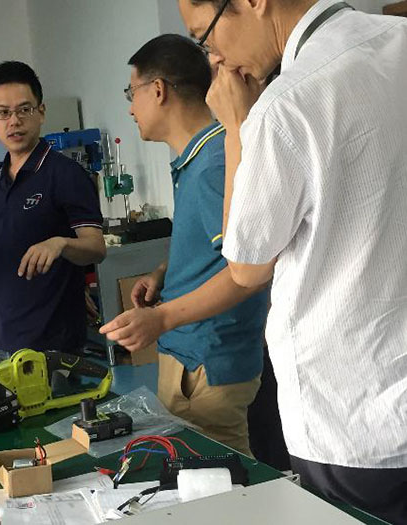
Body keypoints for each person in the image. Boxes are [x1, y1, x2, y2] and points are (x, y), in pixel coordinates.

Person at [178, 0, 407, 521]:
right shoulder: (398, 39)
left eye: (205, 35)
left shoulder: (288, 104)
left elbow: (247, 266)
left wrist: (237, 126)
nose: (214, 58)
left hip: (353, 423)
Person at [100, 34, 268, 457]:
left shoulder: (214, 164)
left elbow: (247, 273)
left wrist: (160, 318)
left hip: (206, 362)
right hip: (193, 355)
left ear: (158, 90)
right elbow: (218, 249)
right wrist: (163, 273)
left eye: (132, 93)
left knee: (221, 480)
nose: (130, 108)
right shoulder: (199, 158)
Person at [0, 61, 106, 355]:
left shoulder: (65, 174)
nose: (14, 121)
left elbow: (96, 247)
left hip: (53, 343)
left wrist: (60, 244)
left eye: (24, 109)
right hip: (4, 336)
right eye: (3, 112)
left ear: (41, 112)